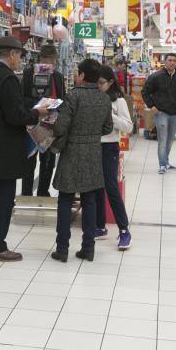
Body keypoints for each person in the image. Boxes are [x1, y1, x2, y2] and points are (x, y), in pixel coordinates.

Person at [0, 36, 49, 262]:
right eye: (20, 56)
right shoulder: (7, 78)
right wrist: (38, 112)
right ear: (12, 54)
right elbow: (15, 116)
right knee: (3, 198)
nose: (20, 61)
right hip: (3, 149)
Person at [50, 59, 113, 263]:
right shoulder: (104, 99)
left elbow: (60, 127)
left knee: (65, 199)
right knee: (90, 200)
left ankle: (62, 248)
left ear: (83, 75)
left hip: (72, 152)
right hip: (93, 152)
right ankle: (88, 248)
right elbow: (108, 128)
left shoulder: (74, 95)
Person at [95, 65, 132, 250]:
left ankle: (124, 230)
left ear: (110, 82)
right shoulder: (93, 96)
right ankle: (99, 226)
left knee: (111, 187)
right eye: (96, 82)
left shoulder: (118, 101)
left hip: (109, 147)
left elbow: (128, 127)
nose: (98, 86)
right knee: (96, 187)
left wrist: (110, 117)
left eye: (101, 83)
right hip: (92, 146)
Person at [21, 44, 64, 197]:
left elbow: (62, 98)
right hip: (32, 123)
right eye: (47, 59)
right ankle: (26, 192)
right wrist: (38, 105)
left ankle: (43, 191)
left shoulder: (58, 76)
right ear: (41, 58)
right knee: (29, 160)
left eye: (53, 60)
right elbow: (22, 98)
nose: (51, 63)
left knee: (49, 161)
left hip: (50, 125)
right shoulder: (28, 74)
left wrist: (56, 106)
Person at [142, 53, 176, 174]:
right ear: (165, 62)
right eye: (170, 60)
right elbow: (145, 91)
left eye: (174, 60)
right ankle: (162, 164)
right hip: (161, 112)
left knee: (169, 140)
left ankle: (166, 161)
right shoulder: (156, 76)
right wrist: (151, 106)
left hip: (174, 113)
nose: (172, 62)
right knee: (162, 139)